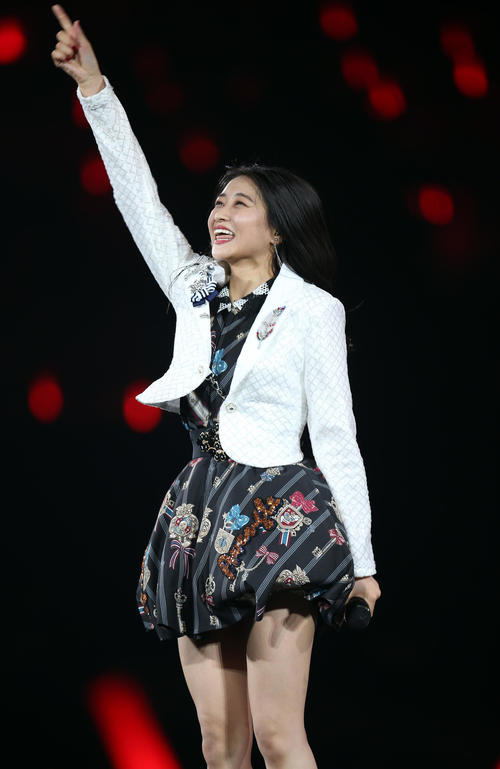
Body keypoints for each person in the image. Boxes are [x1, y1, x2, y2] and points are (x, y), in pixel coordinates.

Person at [51, 6, 381, 768]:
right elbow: (137, 197)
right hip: (200, 513)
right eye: (218, 200)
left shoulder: (313, 311)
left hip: (282, 513)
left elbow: (336, 436)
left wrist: (362, 564)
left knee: (278, 736)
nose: (219, 212)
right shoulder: (193, 285)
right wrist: (94, 88)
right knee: (219, 744)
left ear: (277, 228)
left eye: (240, 202)